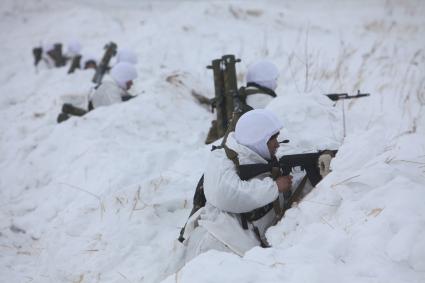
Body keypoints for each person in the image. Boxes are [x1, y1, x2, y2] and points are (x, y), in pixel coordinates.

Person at [182, 109, 293, 261]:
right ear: (257, 139)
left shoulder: (258, 158)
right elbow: (228, 194)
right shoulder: (222, 159)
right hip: (216, 242)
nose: (277, 144)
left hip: (238, 248)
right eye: (272, 138)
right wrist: (274, 187)